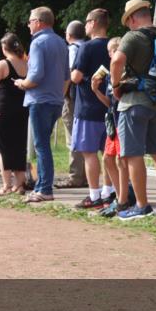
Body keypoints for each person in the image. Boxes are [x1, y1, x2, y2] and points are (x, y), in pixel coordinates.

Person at [109, 0, 156, 219]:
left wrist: (116, 85)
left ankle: (141, 205)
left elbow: (117, 60)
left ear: (132, 18)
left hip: (135, 102)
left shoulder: (133, 36)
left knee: (132, 154)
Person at [15, 7, 69, 202]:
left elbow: (35, 75)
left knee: (41, 146)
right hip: (55, 101)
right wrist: (58, 96)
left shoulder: (38, 43)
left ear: (38, 22)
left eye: (30, 21)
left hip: (39, 100)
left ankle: (44, 188)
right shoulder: (61, 42)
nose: (28, 25)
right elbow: (66, 77)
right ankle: (41, 186)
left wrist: (22, 83)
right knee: (43, 145)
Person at [69, 9, 113, 209]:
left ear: (94, 23)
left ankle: (94, 194)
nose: (85, 26)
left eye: (87, 22)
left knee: (89, 153)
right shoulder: (114, 46)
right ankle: (109, 190)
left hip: (87, 107)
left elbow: (76, 77)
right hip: (108, 105)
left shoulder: (86, 48)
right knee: (108, 153)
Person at [92, 38, 134, 218]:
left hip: (123, 119)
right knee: (108, 159)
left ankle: (123, 199)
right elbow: (110, 102)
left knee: (120, 160)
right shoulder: (110, 74)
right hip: (113, 120)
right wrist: (96, 90)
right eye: (110, 50)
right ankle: (119, 195)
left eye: (114, 50)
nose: (111, 53)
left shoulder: (126, 72)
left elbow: (121, 98)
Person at [0, 33, 30, 194]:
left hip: (2, 109)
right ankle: (19, 184)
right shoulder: (26, 63)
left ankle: (6, 185)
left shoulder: (3, 64)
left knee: (4, 147)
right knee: (19, 146)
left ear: (4, 48)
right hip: (22, 109)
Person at [57, 20, 87, 188]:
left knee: (73, 137)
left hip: (73, 98)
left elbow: (68, 76)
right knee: (84, 136)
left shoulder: (73, 50)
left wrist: (61, 95)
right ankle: (84, 174)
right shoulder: (88, 47)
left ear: (68, 35)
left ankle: (75, 176)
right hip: (88, 98)